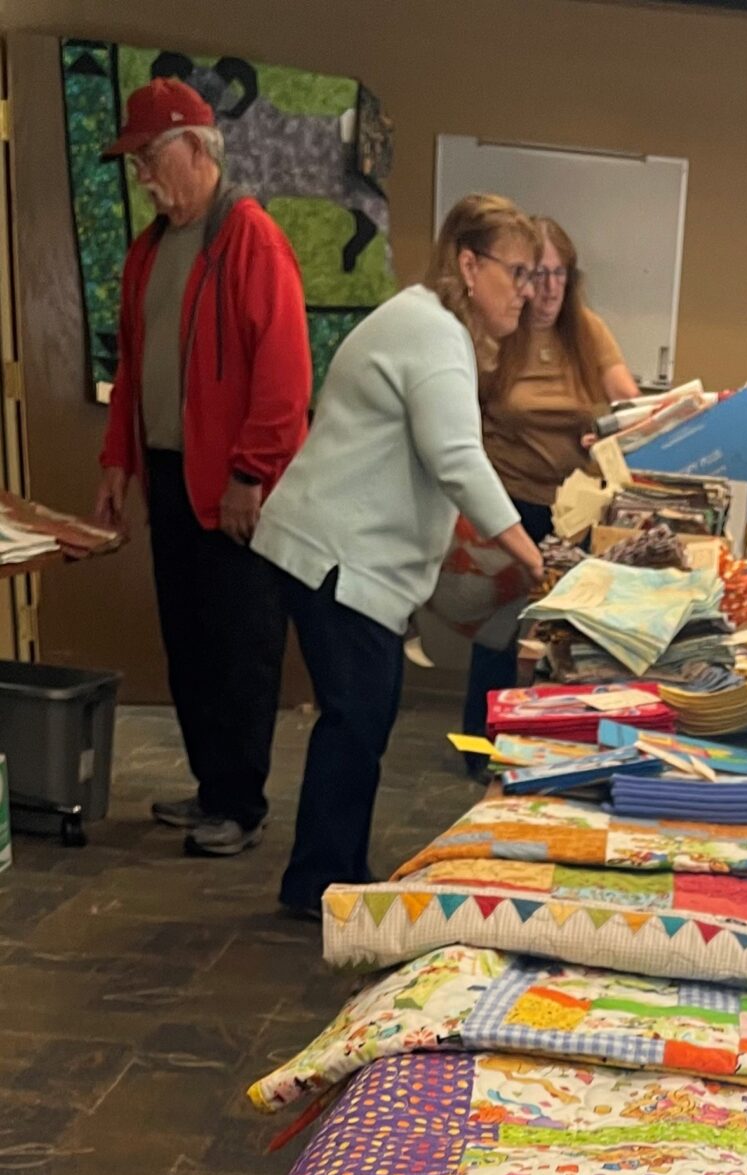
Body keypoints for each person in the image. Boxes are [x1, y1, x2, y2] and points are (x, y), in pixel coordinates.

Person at [253, 196, 546, 920]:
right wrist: (530, 554)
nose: (528, 290)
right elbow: (455, 459)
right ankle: (320, 884)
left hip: (345, 555)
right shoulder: (431, 331)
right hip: (337, 557)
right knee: (356, 719)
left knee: (364, 718)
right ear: (469, 265)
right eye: (517, 271)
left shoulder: (427, 323)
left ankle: (339, 871)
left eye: (536, 275)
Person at [93, 75, 310, 858]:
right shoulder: (149, 252)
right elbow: (134, 370)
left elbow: (285, 378)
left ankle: (241, 804)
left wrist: (252, 475)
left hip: (235, 491)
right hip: (168, 478)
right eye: (135, 162)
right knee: (187, 642)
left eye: (149, 157)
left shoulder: (251, 237)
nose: (142, 175)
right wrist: (118, 461)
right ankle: (211, 785)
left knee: (239, 647)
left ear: (193, 146)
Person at [463, 217, 639, 728]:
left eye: (561, 274)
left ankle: (559, 736)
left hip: (576, 512)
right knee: (499, 636)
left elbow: (625, 399)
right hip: (508, 505)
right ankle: (483, 741)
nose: (550, 288)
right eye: (538, 274)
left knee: (570, 638)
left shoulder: (587, 330)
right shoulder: (497, 333)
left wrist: (616, 428)